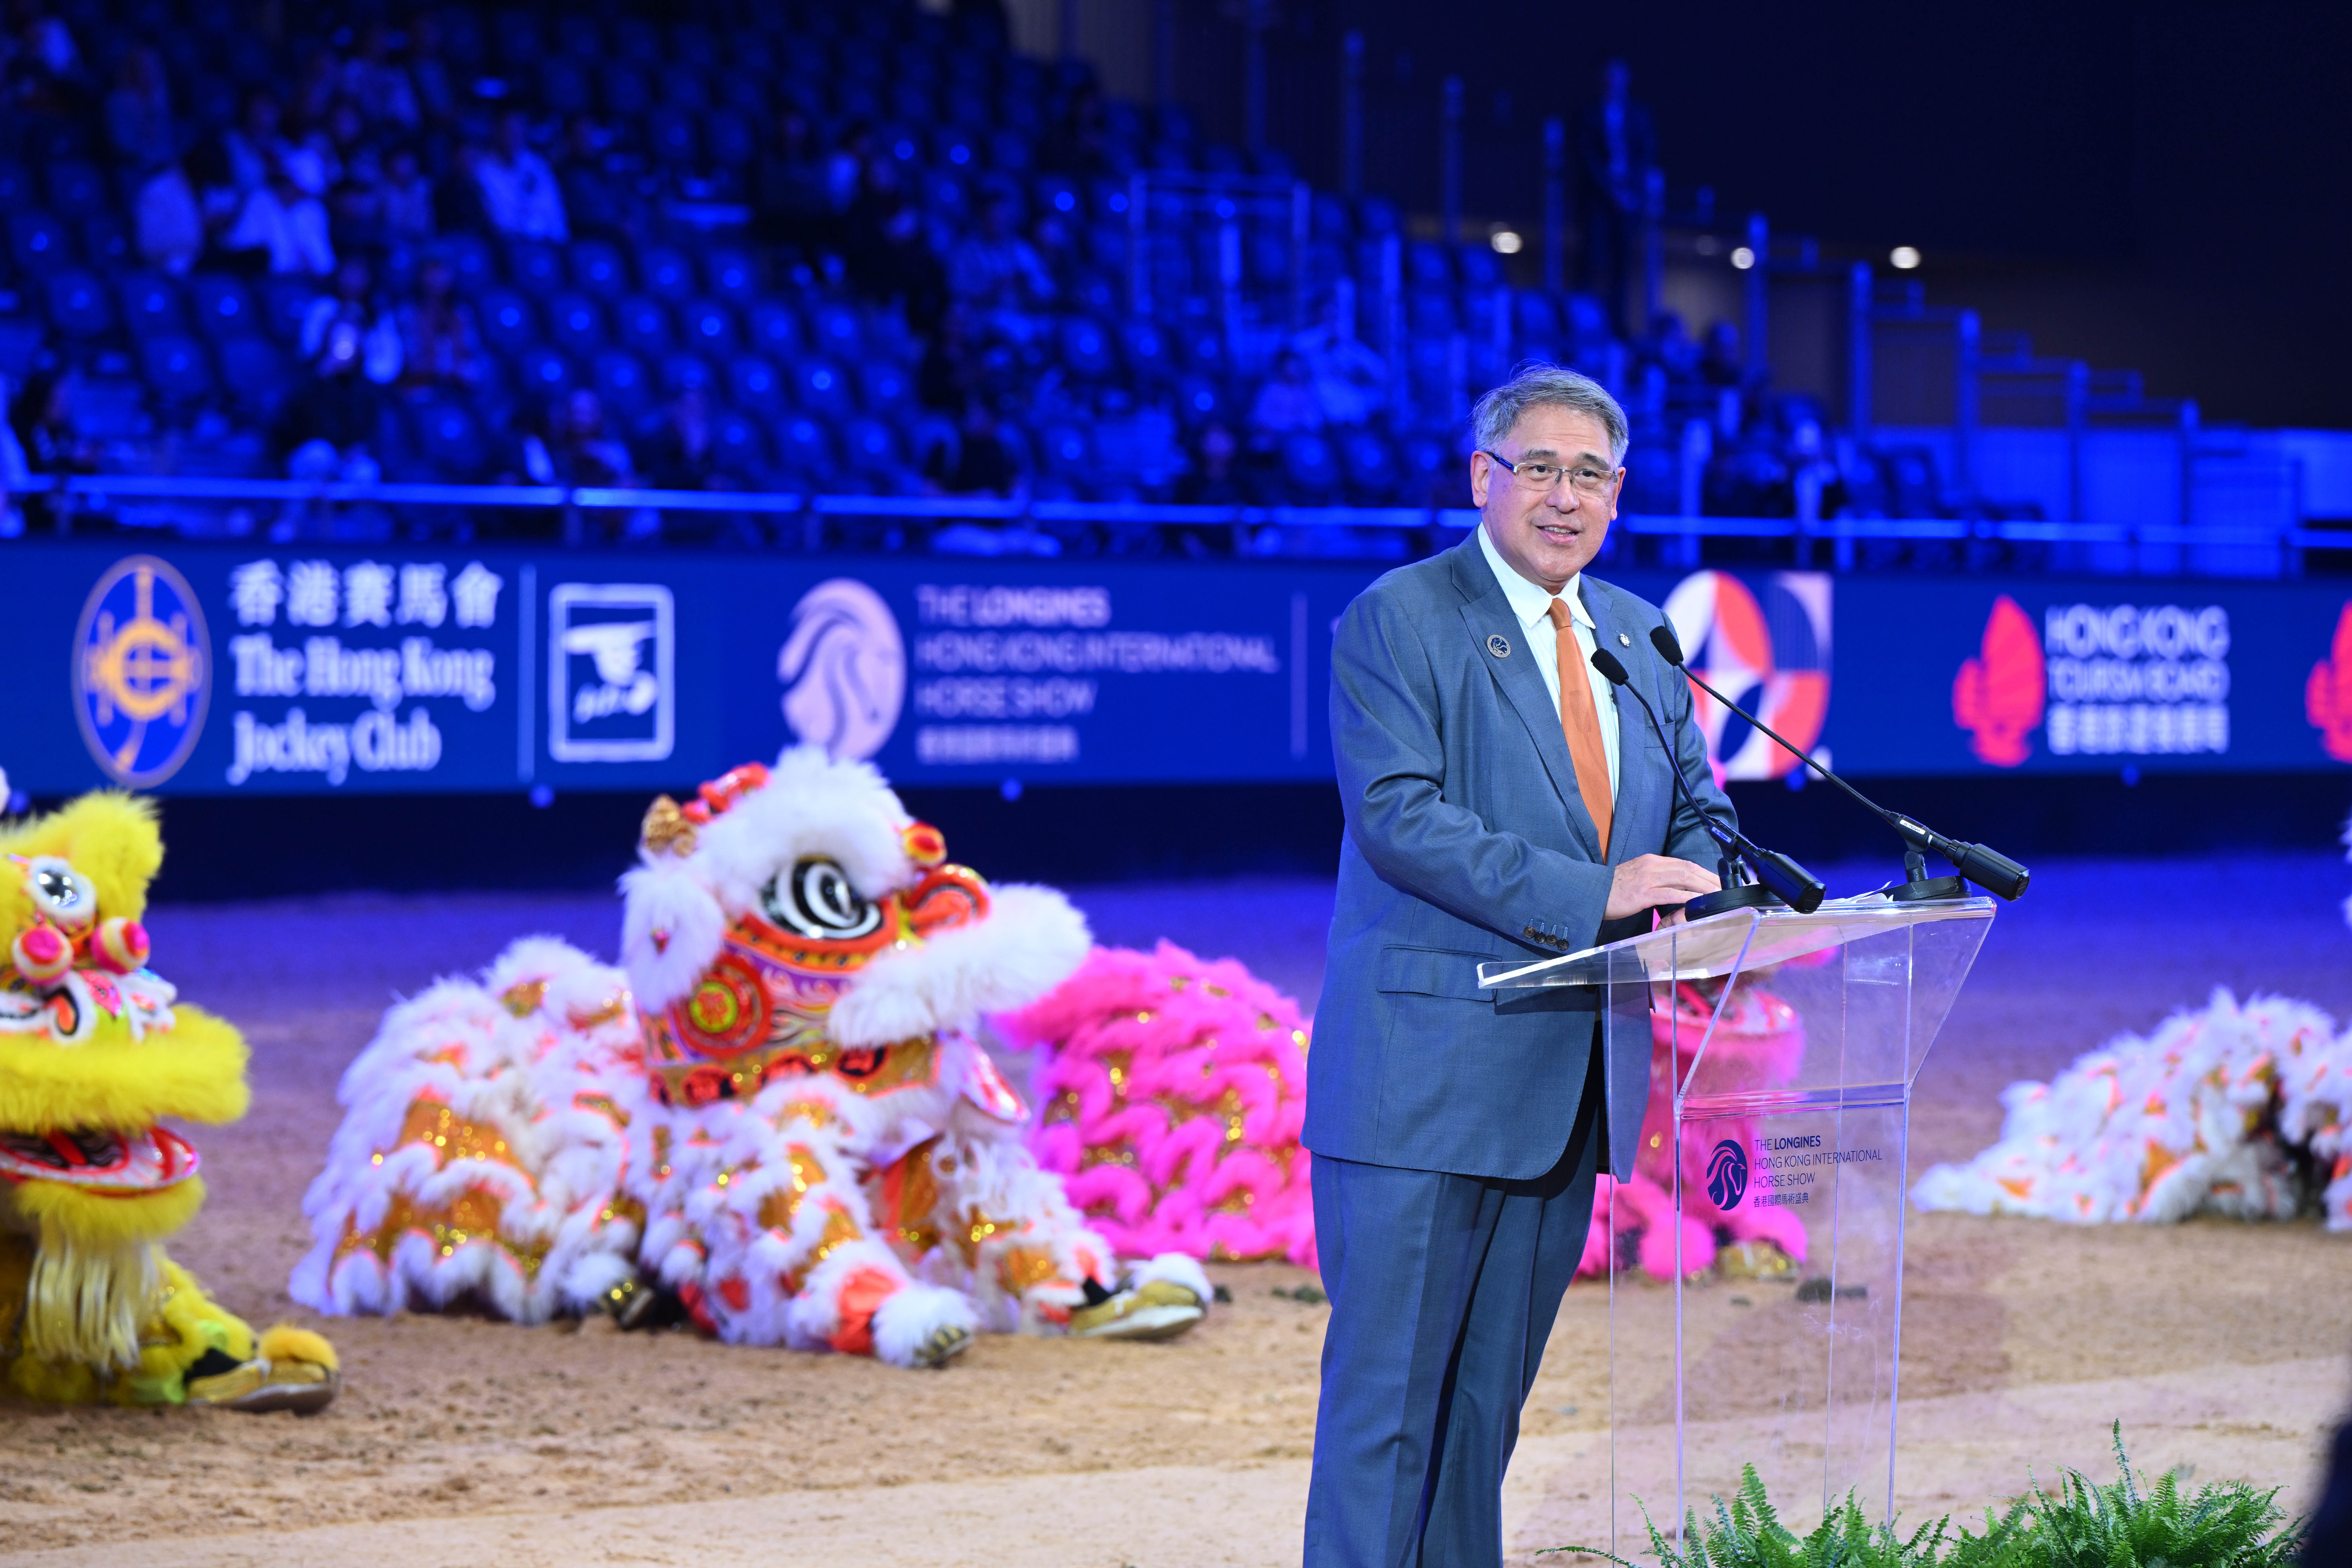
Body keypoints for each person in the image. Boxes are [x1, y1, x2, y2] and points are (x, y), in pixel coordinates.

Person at [1304, 363, 1728, 1566]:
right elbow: (1399, 816)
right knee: (1386, 1420)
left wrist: (1725, 892)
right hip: (1423, 1088)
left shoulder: (1641, 635)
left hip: (1571, 1081)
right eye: (1537, 467)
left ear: (1621, 492)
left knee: (1482, 1420)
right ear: (1481, 476)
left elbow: (1694, 811)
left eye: (1589, 473)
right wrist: (1598, 892)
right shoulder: (1401, 615)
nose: (1564, 496)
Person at [1575, 59, 1655, 332]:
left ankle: (1617, 324)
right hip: (1598, 198)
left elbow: (1645, 156)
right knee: (1592, 258)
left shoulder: (1639, 115)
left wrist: (1630, 192)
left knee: (1621, 265)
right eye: (1608, 77)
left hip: (1628, 199)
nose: (1613, 82)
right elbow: (1587, 158)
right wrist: (1611, 190)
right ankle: (1582, 321)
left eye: (1619, 77)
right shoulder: (1588, 114)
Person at [301, 258, 403, 387]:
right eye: (349, 273)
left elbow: (388, 368)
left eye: (360, 275)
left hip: (366, 390)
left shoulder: (380, 316)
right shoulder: (323, 308)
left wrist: (364, 349)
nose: (353, 281)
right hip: (322, 385)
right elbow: (308, 350)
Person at [469, 108, 567, 241]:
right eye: (509, 130)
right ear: (496, 132)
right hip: (509, 245)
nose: (514, 135)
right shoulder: (482, 169)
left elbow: (554, 212)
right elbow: (499, 220)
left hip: (546, 243)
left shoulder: (537, 165)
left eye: (518, 130)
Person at [396, 255, 481, 393]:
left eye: (442, 272)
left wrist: (461, 369)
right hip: (419, 386)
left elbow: (472, 353)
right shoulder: (408, 313)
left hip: (458, 387)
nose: (437, 278)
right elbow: (407, 359)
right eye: (432, 272)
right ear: (421, 276)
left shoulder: (462, 313)